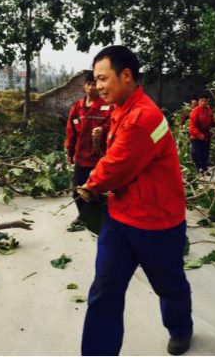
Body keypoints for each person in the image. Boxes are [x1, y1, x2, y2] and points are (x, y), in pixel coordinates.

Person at [79, 46, 193, 357]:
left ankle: (181, 328)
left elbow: (116, 167)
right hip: (120, 218)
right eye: (96, 80)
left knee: (169, 285)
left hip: (156, 222)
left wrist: (89, 184)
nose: (98, 86)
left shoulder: (144, 116)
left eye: (103, 79)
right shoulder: (120, 110)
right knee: (104, 292)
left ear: (126, 75)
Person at [65, 72, 114, 226]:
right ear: (84, 85)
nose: (92, 87)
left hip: (98, 158)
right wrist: (69, 151)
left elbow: (113, 124)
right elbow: (71, 130)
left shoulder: (107, 107)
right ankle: (83, 216)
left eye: (94, 84)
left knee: (96, 192)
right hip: (81, 157)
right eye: (89, 84)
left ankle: (98, 219)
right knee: (77, 191)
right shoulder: (77, 107)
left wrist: (103, 130)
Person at [189, 95, 215, 173]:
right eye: (201, 101)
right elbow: (192, 126)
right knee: (195, 153)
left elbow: (212, 121)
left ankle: (204, 168)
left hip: (206, 136)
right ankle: (197, 167)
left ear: (207, 102)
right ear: (199, 102)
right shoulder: (195, 111)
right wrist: (199, 135)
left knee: (205, 152)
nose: (203, 103)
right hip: (196, 137)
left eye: (205, 101)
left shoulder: (209, 110)